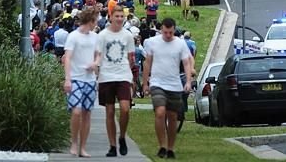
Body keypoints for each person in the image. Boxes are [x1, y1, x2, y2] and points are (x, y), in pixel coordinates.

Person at [142, 18, 193, 160]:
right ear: (161, 30)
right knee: (160, 112)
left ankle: (170, 147)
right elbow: (147, 63)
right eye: (165, 32)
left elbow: (187, 63)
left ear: (174, 30)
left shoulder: (180, 44)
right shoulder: (153, 42)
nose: (168, 35)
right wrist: (145, 83)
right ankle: (162, 145)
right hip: (157, 83)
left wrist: (188, 81)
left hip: (174, 84)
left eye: (170, 32)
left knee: (172, 117)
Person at [95, 8, 136, 157]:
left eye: (121, 16)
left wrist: (130, 74)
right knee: (110, 111)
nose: (119, 19)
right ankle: (112, 145)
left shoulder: (128, 35)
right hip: (106, 75)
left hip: (123, 75)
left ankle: (122, 136)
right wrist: (97, 66)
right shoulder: (102, 35)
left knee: (125, 108)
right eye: (116, 16)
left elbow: (132, 57)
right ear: (110, 17)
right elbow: (98, 54)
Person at [63, 8, 98, 158]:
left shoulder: (95, 37)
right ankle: (74, 142)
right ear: (90, 21)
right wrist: (67, 79)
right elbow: (67, 58)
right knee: (76, 112)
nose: (96, 24)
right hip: (76, 78)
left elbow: (99, 55)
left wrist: (95, 63)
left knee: (87, 113)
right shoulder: (73, 36)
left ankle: (83, 147)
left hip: (90, 79)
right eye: (95, 21)